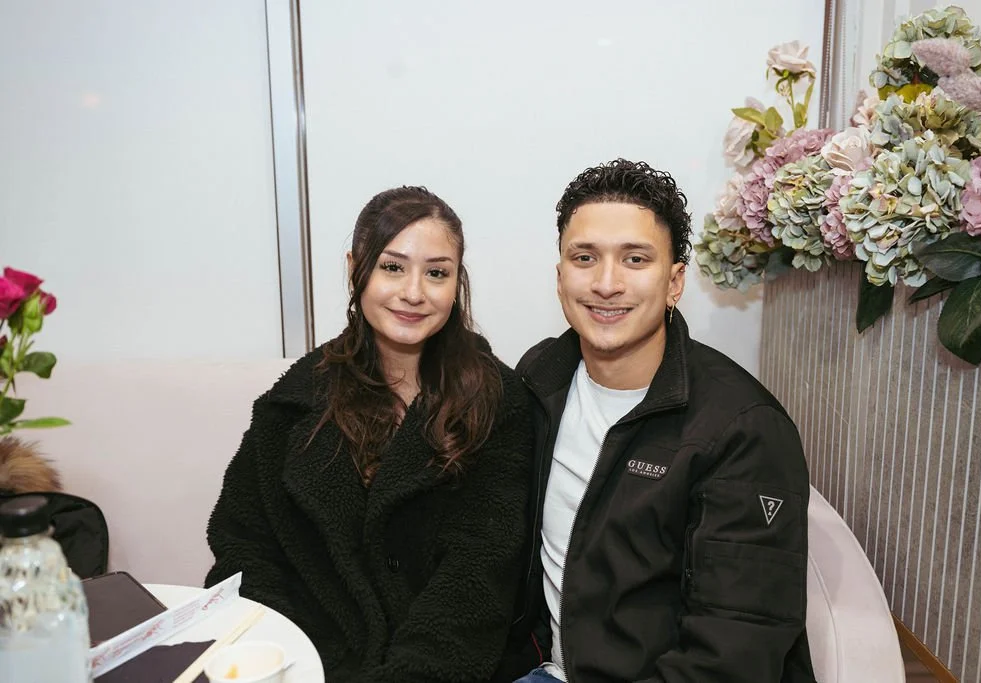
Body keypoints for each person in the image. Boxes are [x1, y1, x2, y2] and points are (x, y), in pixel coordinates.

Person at [205, 186, 533, 683]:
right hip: (304, 663)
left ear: (456, 283)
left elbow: (478, 578)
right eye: (392, 266)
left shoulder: (495, 399)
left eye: (437, 273)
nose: (414, 292)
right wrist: (282, 657)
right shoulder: (297, 399)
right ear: (355, 268)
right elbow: (245, 546)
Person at [509, 159, 815, 682]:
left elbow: (735, 651)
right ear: (561, 279)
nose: (606, 284)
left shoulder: (742, 430)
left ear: (675, 283)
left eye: (634, 259)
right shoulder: (542, 376)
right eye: (585, 258)